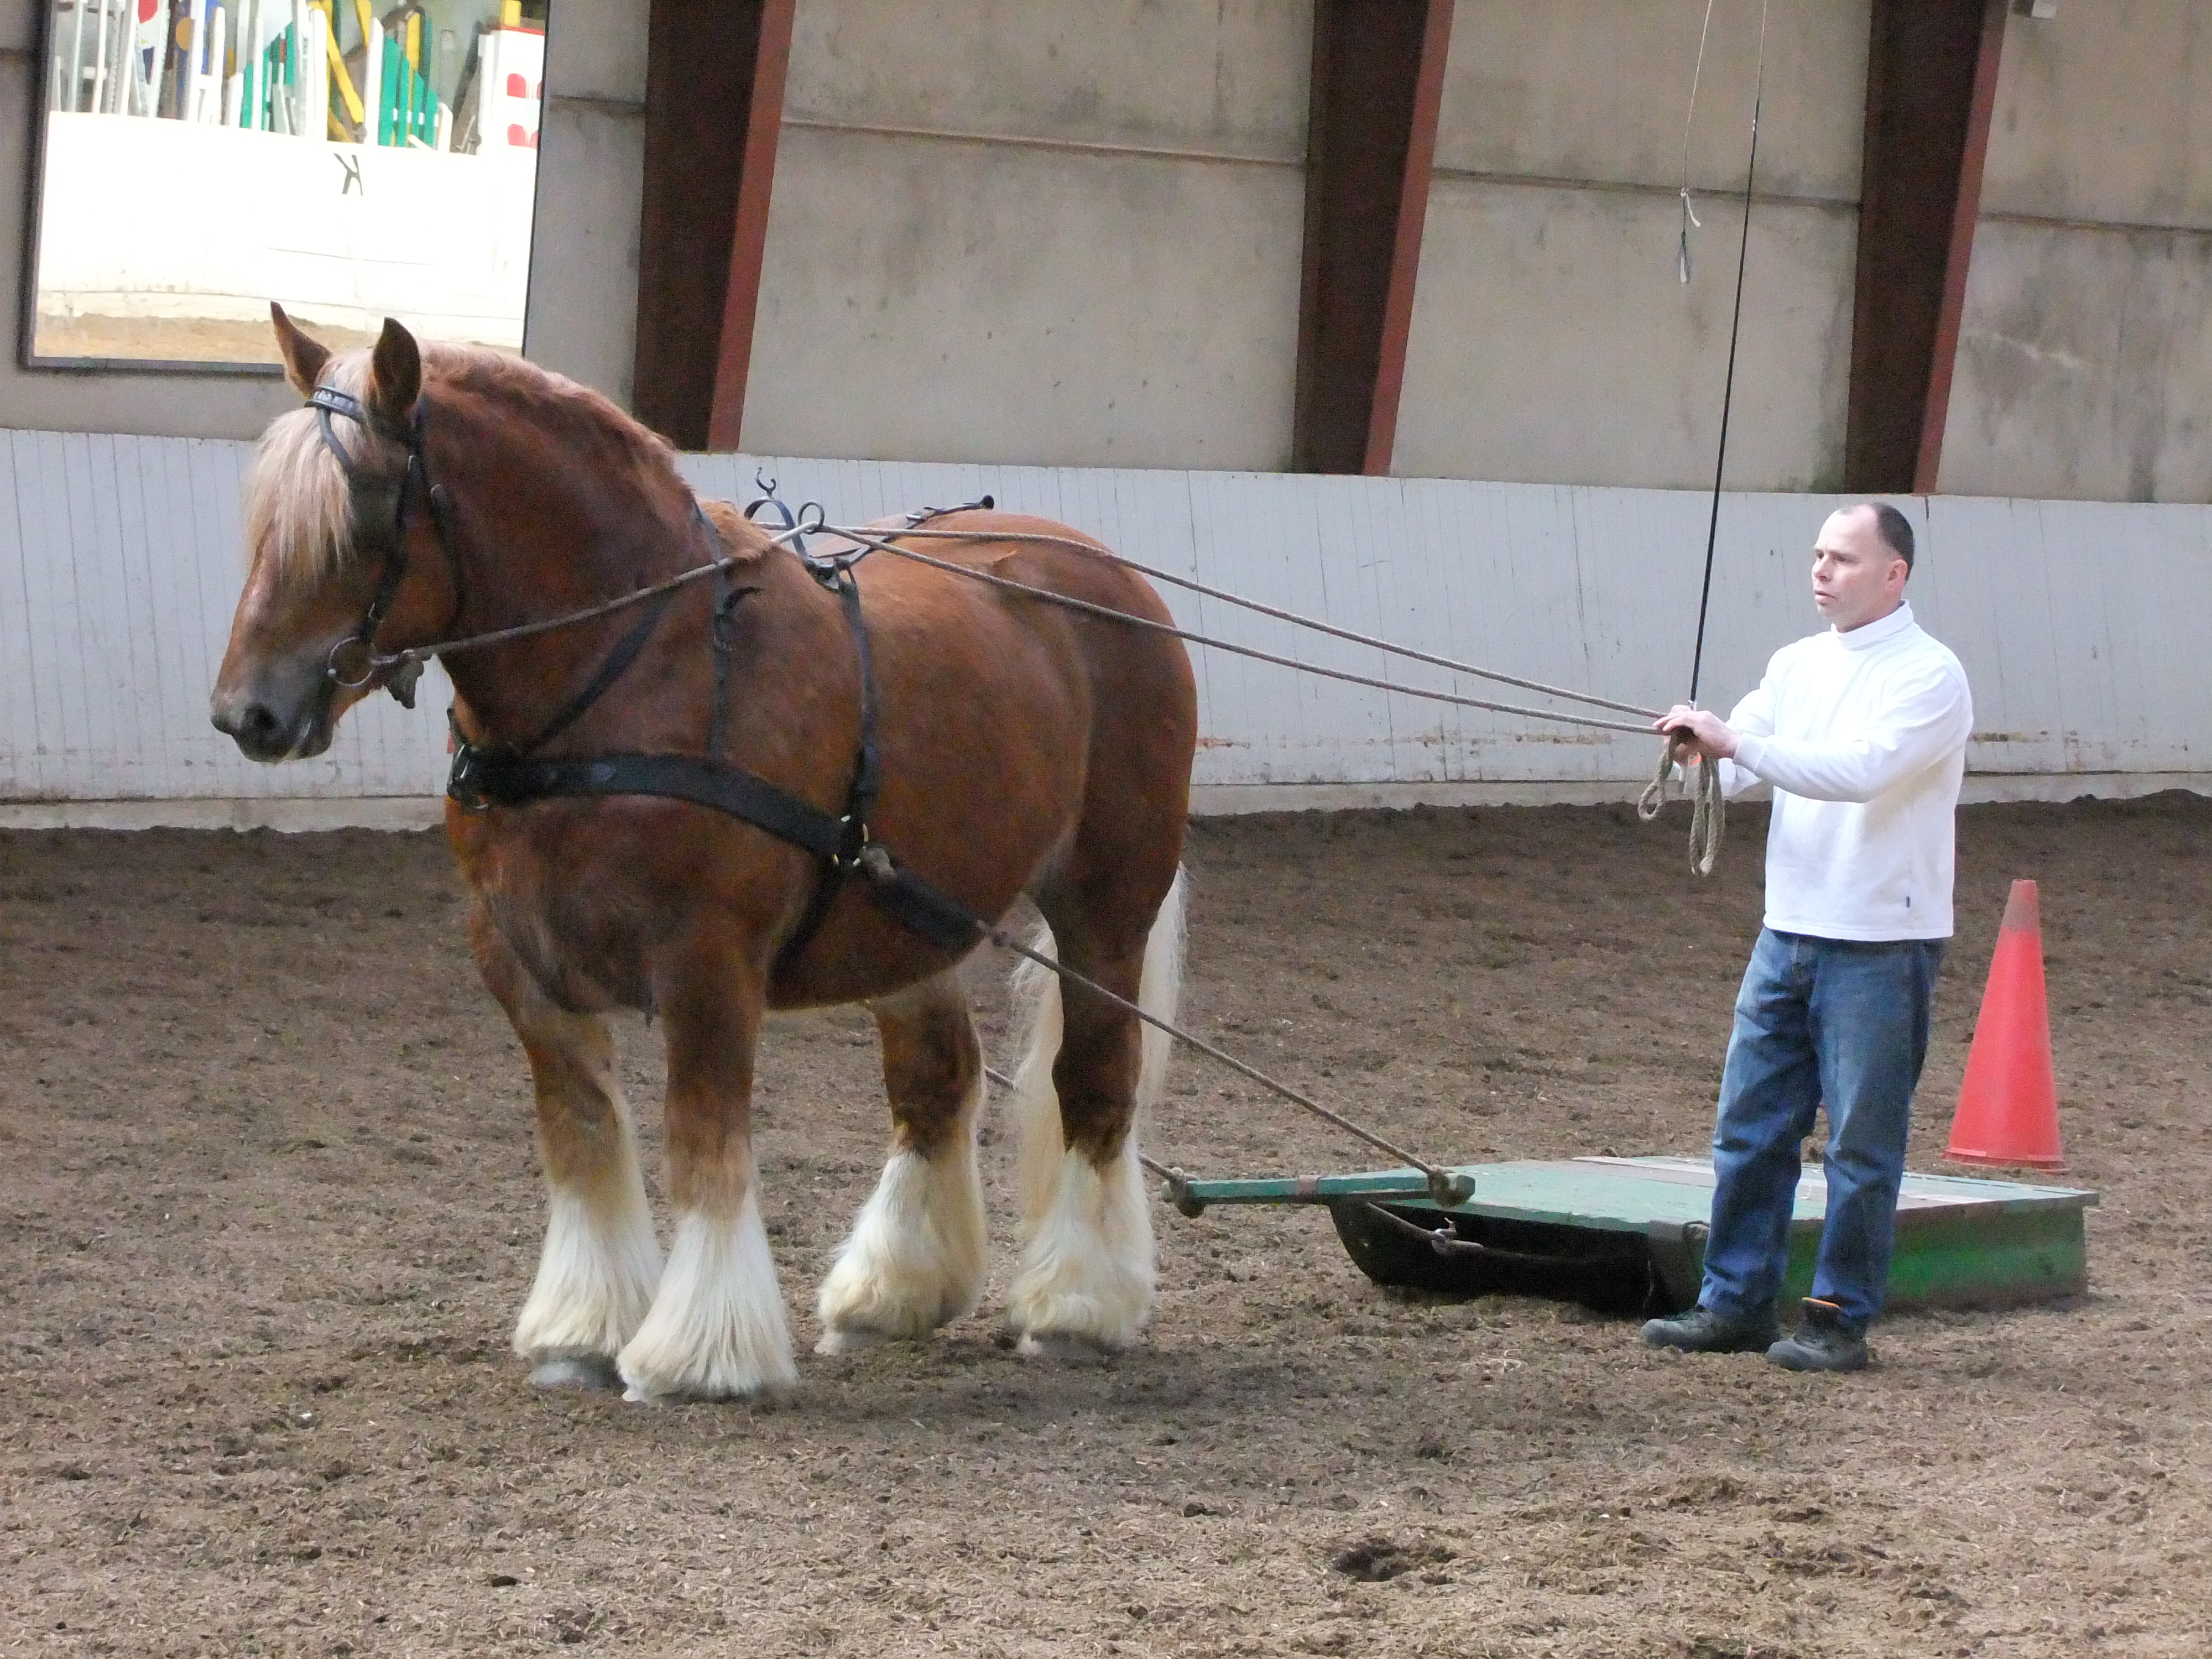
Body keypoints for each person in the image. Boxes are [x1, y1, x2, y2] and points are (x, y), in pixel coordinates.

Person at [1640, 502, 1973, 1372]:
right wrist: (1704, 750)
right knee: (1750, 1126)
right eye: (1819, 556)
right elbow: (1748, 762)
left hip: (1881, 942)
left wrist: (1735, 738)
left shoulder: (1930, 676)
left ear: (1895, 574)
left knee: (1861, 1144)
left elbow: (1859, 772)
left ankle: (1836, 1319)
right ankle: (1735, 1302)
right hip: (1786, 933)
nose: (1823, 572)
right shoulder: (1794, 664)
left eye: (1846, 559)